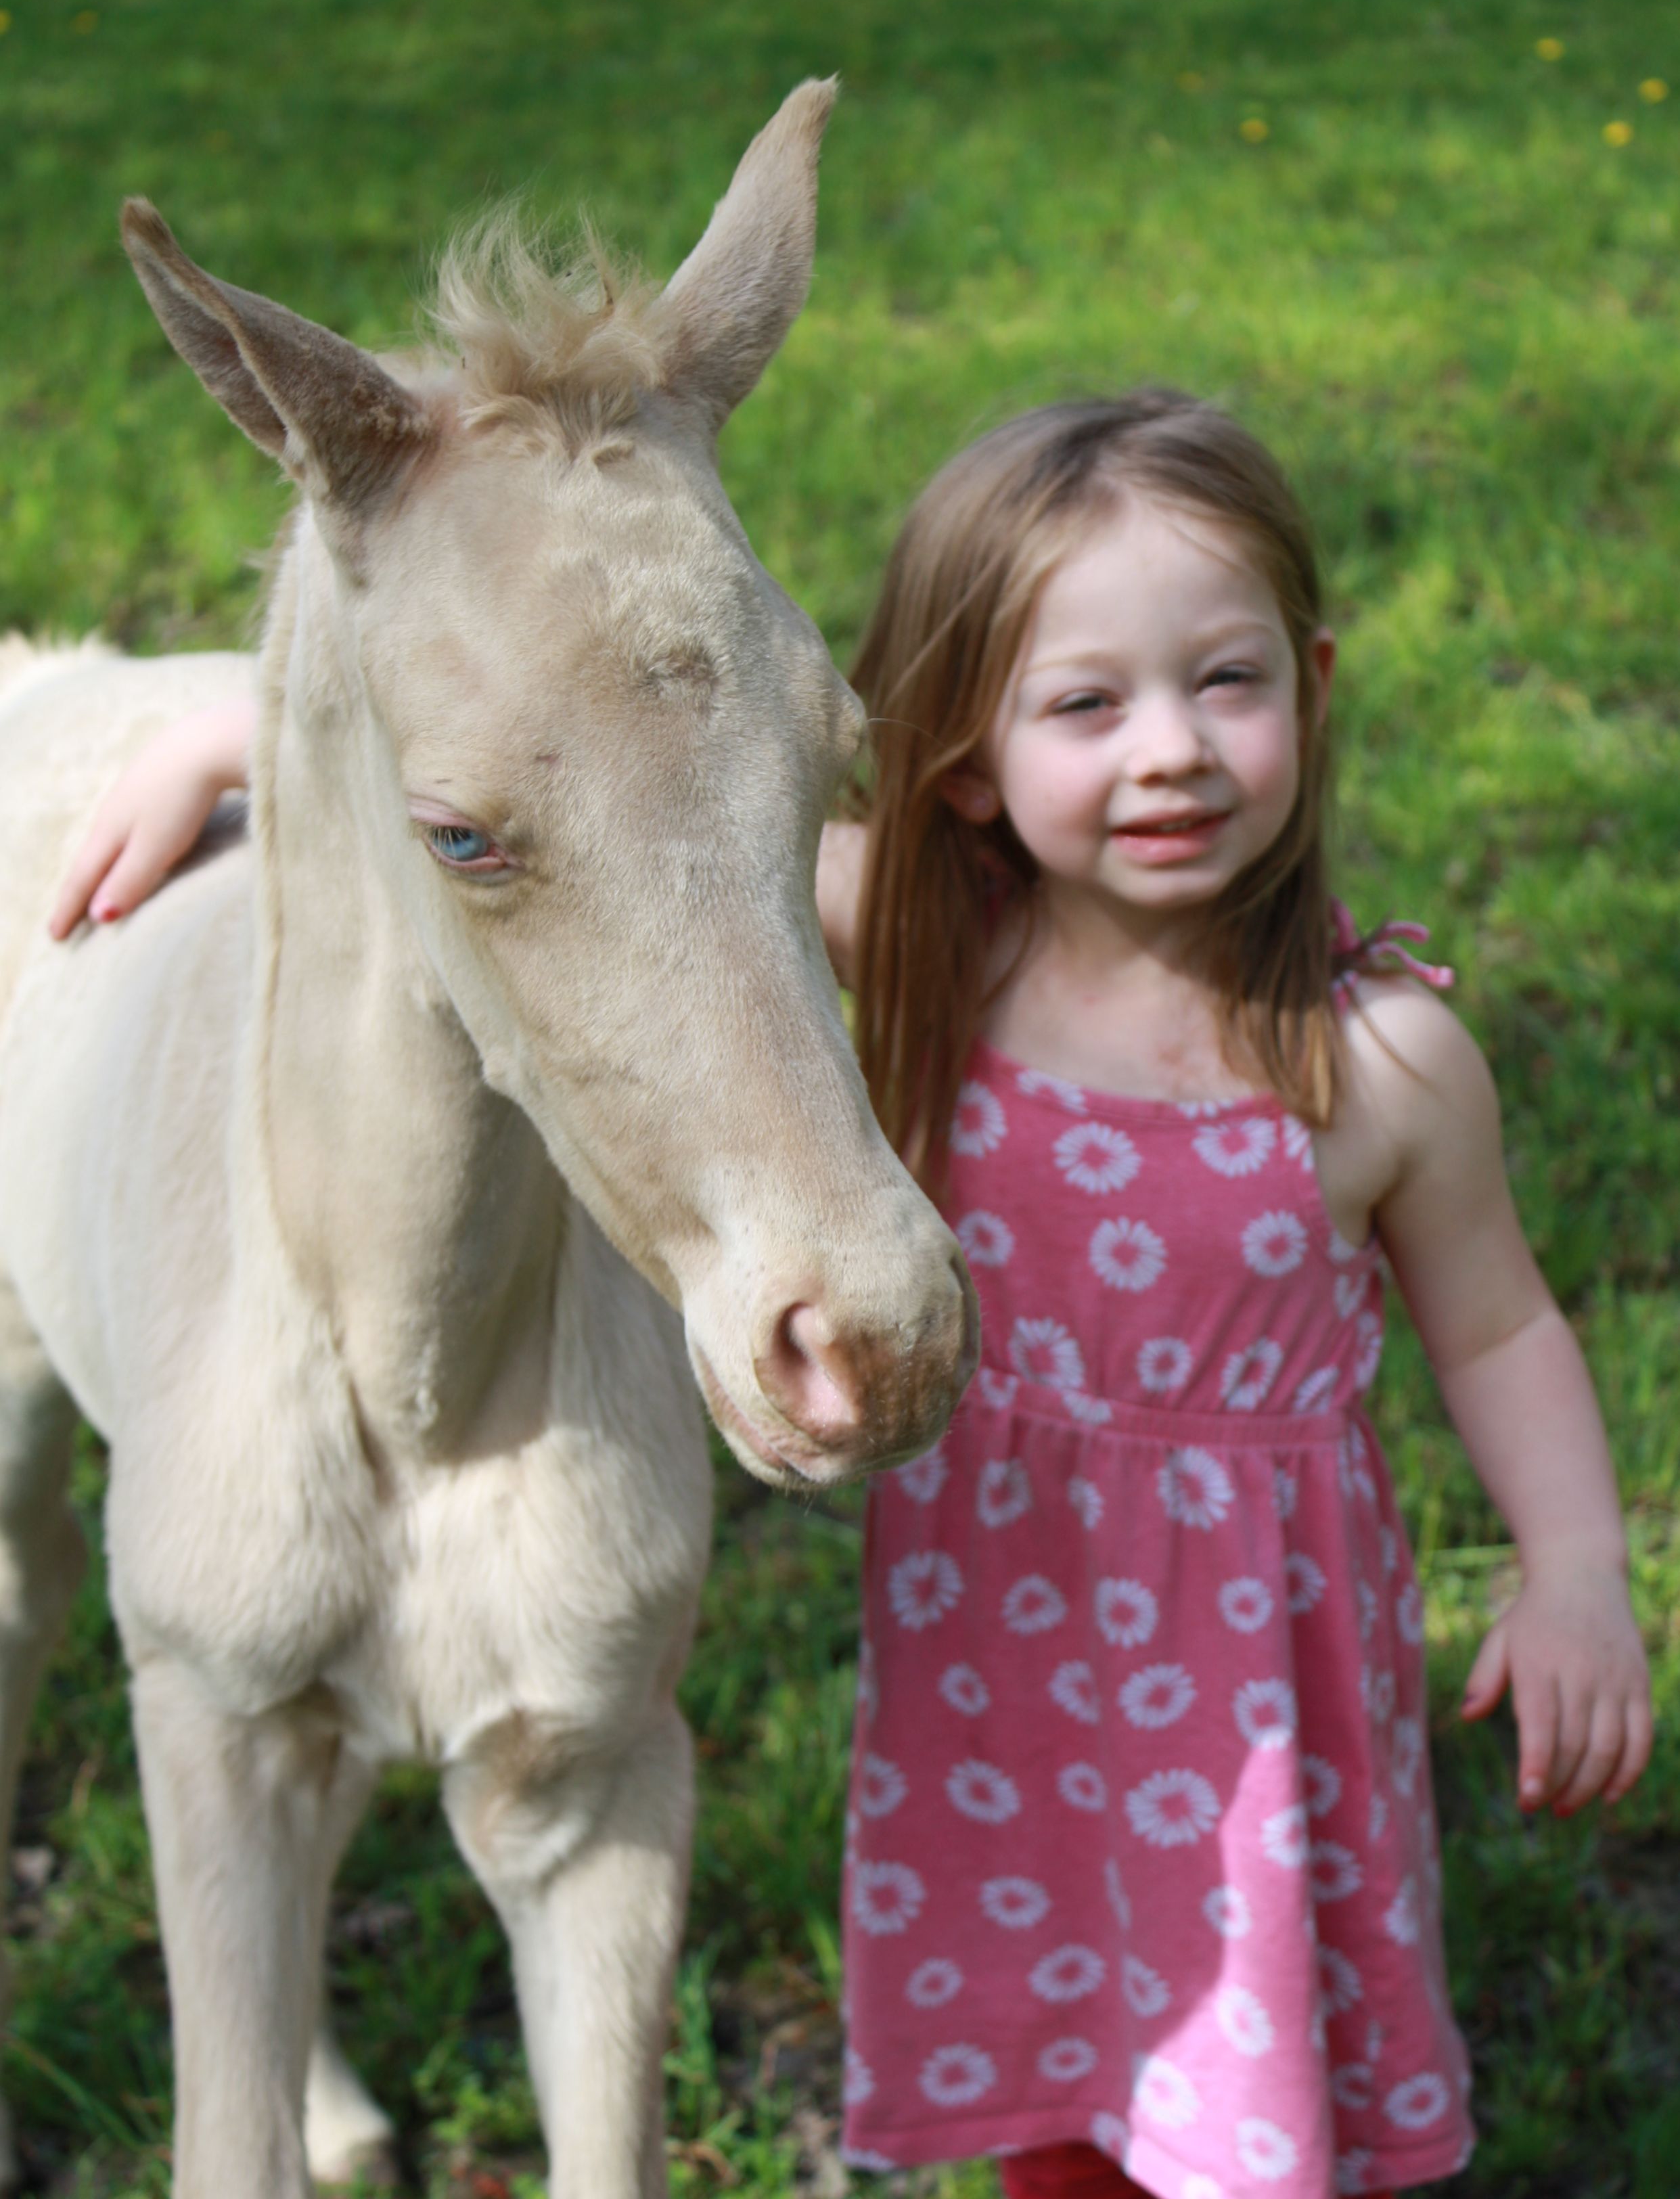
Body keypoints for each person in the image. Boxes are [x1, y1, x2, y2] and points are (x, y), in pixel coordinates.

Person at [51, 393, 1652, 2199]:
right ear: (962, 764)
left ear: (1316, 685)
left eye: (1228, 681)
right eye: (1085, 704)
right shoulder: (925, 945)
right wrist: (240, 739)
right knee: (1052, 2065)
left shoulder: (1384, 1061)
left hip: (1253, 1690)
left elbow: (1501, 1324)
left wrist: (1576, 1570)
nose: (1171, 753)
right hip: (1008, 1691)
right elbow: (592, 810)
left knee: (1247, 2046)